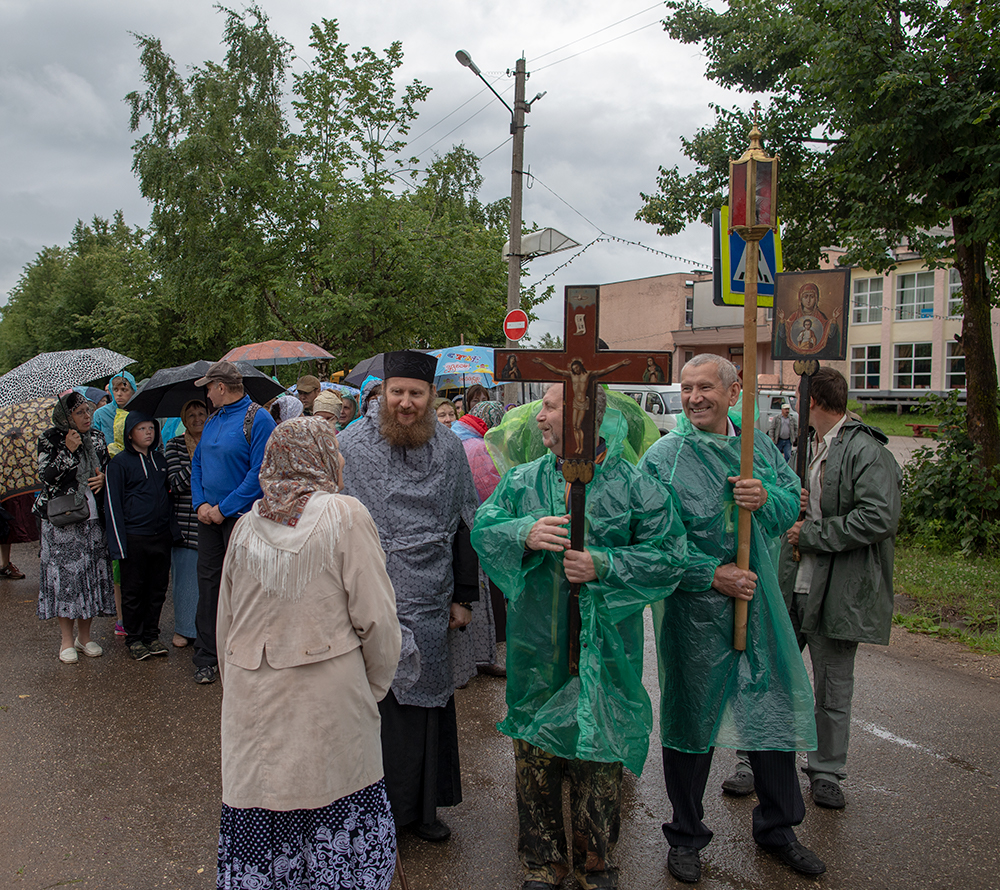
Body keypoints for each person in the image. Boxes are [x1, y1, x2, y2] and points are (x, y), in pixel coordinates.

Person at [472, 383, 687, 890]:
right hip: (536, 648)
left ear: (586, 418)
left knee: (599, 747)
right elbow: (485, 527)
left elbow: (671, 554)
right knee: (535, 748)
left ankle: (596, 862)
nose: (537, 418)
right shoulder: (523, 480)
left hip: (606, 650)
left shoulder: (636, 487)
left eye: (549, 408)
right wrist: (520, 532)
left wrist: (607, 564)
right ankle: (542, 863)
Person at [639, 354, 823, 883]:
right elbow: (654, 542)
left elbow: (792, 502)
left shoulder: (757, 447)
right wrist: (708, 574)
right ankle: (687, 834)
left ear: (733, 390)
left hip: (758, 601)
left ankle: (778, 829)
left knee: (770, 712)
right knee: (690, 722)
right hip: (694, 613)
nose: (695, 397)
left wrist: (765, 497)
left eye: (705, 388)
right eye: (687, 387)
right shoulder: (663, 458)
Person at [216, 417, 402, 890]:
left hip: (250, 705)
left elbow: (225, 628)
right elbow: (377, 619)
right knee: (336, 812)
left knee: (264, 813)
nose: (341, 459)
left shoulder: (243, 528)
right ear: (316, 457)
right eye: (333, 450)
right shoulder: (346, 515)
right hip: (330, 707)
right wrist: (372, 687)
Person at [337, 350, 479, 843]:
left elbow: (465, 523)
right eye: (397, 392)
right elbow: (332, 524)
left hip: (432, 594)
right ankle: (378, 814)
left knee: (428, 703)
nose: (405, 402)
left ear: (429, 396)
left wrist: (464, 596)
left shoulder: (451, 448)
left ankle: (424, 810)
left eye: (415, 394)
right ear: (382, 394)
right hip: (369, 592)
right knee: (378, 702)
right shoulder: (351, 444)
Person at [778, 367, 900, 809]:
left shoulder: (866, 451)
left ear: (812, 400)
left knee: (831, 688)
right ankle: (757, 761)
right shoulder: (808, 446)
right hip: (792, 585)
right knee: (773, 676)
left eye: (797, 396)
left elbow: (880, 517)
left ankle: (826, 771)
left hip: (836, 591)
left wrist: (813, 532)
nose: (793, 404)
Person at [190, 361, 277, 685]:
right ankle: (206, 656)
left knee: (245, 587)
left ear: (221, 388)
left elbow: (259, 473)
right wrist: (200, 503)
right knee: (208, 585)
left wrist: (223, 509)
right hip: (209, 517)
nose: (206, 393)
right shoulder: (213, 420)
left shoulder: (258, 418)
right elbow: (197, 463)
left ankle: (245, 654)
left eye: (208, 388)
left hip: (240, 519)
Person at [35, 391, 115, 663]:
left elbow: (106, 469)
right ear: (66, 416)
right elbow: (47, 479)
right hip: (62, 520)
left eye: (88, 411)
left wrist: (104, 477)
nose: (87, 416)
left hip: (92, 517)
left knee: (90, 576)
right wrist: (67, 452)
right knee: (66, 581)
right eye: (80, 412)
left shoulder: (97, 438)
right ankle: (66, 640)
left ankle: (86, 637)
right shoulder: (50, 439)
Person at [105, 413, 180, 660]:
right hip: (134, 537)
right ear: (130, 434)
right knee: (133, 589)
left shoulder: (161, 460)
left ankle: (151, 634)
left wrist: (172, 532)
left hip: (160, 536)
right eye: (141, 428)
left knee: (157, 589)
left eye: (151, 428)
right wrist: (118, 544)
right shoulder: (119, 464)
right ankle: (134, 638)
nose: (148, 432)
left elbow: (169, 497)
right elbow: (113, 504)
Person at [450, 400, 505, 676]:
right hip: (473, 528)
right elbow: (491, 493)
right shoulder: (478, 447)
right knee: (476, 600)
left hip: (452, 529)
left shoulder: (454, 434)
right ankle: (478, 661)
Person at [92, 368, 138, 635]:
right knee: (116, 550)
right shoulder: (100, 415)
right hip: (107, 482)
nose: (120, 394)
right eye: (116, 389)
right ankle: (120, 614)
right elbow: (95, 447)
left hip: (132, 483)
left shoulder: (137, 412)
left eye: (125, 389)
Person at [164, 400, 207, 648]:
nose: (197, 419)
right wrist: (198, 459)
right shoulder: (174, 445)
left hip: (213, 517)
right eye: (190, 415)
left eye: (201, 413)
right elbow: (176, 484)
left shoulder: (216, 440)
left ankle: (208, 628)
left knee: (211, 579)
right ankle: (184, 628)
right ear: (183, 419)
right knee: (185, 578)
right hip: (185, 520)